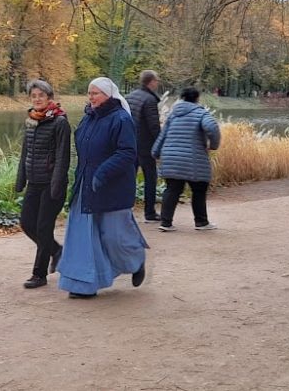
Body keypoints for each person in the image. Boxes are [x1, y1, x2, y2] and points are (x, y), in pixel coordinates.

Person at [57, 77, 148, 299]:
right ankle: (82, 284)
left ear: (109, 95)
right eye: (89, 93)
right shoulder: (89, 119)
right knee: (82, 235)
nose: (91, 97)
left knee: (114, 236)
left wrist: (103, 172)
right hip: (86, 186)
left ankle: (136, 262)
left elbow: (127, 153)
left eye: (95, 93)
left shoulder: (121, 119)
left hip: (112, 187)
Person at [14, 79, 71, 289]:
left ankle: (39, 274)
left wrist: (56, 184)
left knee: (43, 227)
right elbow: (24, 153)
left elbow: (63, 157)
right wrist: (21, 179)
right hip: (34, 182)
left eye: (41, 96)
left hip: (52, 184)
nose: (37, 99)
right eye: (33, 96)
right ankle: (56, 251)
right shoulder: (31, 120)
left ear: (50, 98)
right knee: (27, 223)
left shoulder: (60, 122)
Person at [151, 87, 222, 232]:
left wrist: (155, 152)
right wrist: (213, 145)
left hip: (170, 158)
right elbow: (212, 127)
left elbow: (163, 135)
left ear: (182, 98)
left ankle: (166, 223)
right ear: (197, 98)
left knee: (172, 189)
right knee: (199, 189)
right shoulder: (201, 113)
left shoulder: (173, 115)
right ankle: (201, 222)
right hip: (193, 159)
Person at [127, 70, 162, 222]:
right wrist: (161, 145)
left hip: (130, 144)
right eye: (156, 80)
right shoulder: (149, 100)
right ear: (151, 82)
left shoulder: (130, 96)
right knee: (150, 179)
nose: (158, 82)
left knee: (129, 178)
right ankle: (150, 213)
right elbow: (154, 126)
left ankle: (125, 211)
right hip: (145, 146)